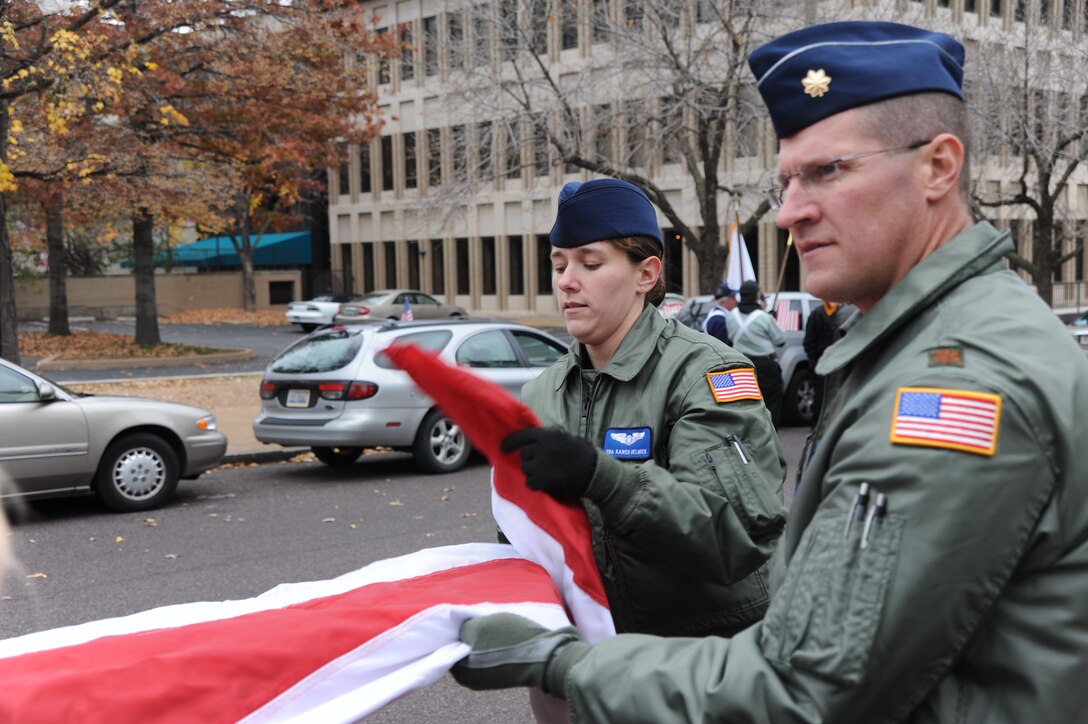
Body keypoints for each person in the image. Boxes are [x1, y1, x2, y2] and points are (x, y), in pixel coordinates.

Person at [451, 21, 1088, 722]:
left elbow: (805, 684)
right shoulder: (913, 346)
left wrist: (559, 660)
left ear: (938, 167)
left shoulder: (956, 379)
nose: (789, 212)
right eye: (786, 179)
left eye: (828, 171)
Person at [499, 177, 787, 640]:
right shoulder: (540, 393)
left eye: (590, 263)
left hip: (705, 655)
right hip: (591, 658)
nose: (567, 281)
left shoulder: (707, 374)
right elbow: (521, 533)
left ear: (646, 275)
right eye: (558, 265)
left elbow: (732, 536)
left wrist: (603, 478)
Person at [729, 280, 787, 426]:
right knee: (771, 404)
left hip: (739, 365)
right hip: (765, 366)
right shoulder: (763, 317)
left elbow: (730, 337)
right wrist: (772, 318)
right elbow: (781, 340)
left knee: (744, 405)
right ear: (757, 295)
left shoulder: (731, 315)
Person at [802, 300, 855, 422]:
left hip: (839, 363)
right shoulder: (817, 314)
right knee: (821, 398)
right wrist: (814, 361)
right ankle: (818, 426)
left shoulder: (843, 313)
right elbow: (809, 342)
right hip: (820, 365)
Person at [700, 282, 737, 346]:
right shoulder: (721, 320)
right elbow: (725, 349)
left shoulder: (714, 312)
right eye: (733, 298)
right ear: (723, 301)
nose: (736, 301)